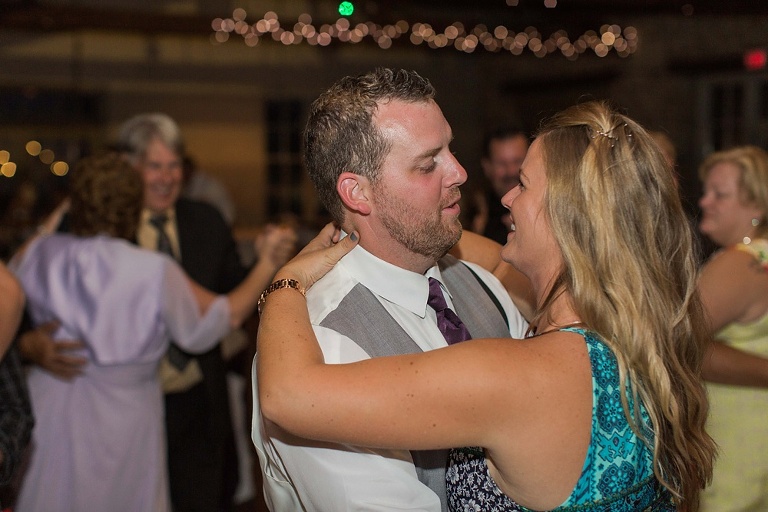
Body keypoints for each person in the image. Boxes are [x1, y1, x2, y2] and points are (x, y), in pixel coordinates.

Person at [257, 100, 716, 511]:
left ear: (568, 221)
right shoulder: (641, 339)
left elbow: (288, 396)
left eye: (523, 185)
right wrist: (411, 228)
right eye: (427, 163)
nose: (504, 196)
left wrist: (285, 280)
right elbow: (488, 255)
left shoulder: (514, 373)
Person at [251, 67, 529, 512]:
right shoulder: (321, 341)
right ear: (357, 193)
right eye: (427, 163)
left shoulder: (480, 283)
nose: (458, 172)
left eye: (451, 150)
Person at [9, 151, 294, 512]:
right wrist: (268, 262)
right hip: (122, 421)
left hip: (50, 405)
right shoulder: (151, 270)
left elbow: (14, 284)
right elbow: (216, 321)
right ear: (133, 206)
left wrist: (68, 206)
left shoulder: (40, 252)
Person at [696, 145, 768, 511]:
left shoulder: (741, 261)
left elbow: (681, 345)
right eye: (706, 191)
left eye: (720, 194)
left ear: (757, 205)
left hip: (739, 446)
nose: (705, 201)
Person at [466, 127, 529, 244]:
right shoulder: (474, 213)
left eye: (518, 161)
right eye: (502, 163)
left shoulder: (549, 209)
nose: (511, 171)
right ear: (487, 166)